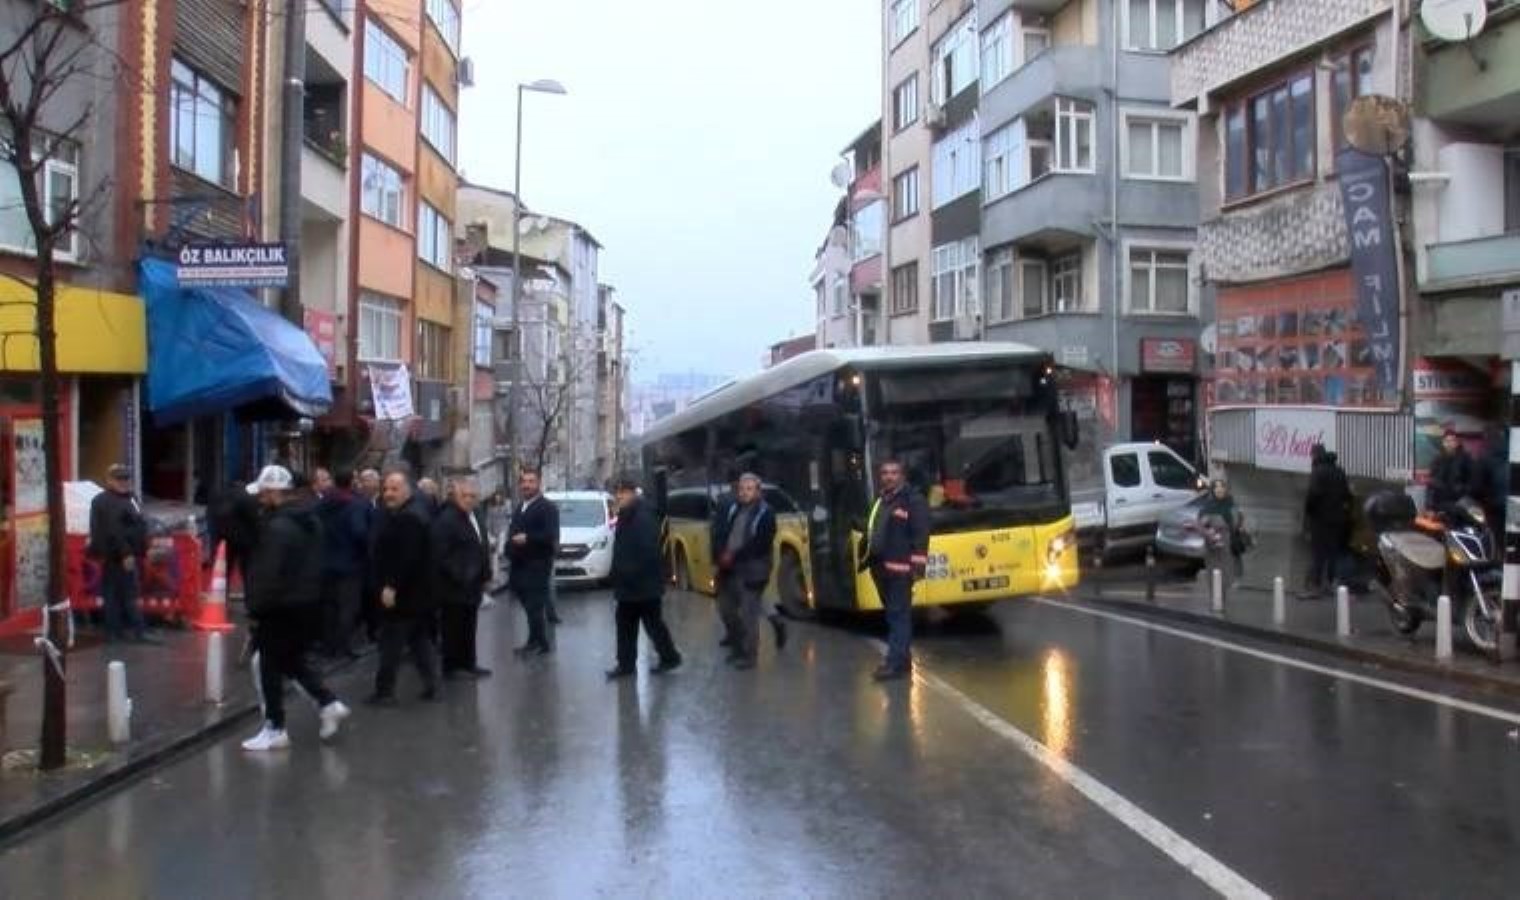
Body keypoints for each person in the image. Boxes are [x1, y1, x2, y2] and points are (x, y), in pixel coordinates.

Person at [240, 465, 350, 751]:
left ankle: (275, 727)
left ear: (275, 494)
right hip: (308, 604)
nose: (260, 501)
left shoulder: (276, 529)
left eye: (263, 495)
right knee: (290, 660)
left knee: (266, 665)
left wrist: (255, 608)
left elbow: (268, 573)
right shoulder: (310, 521)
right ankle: (328, 703)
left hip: (280, 607)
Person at [367, 472, 440, 706]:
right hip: (416, 596)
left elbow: (408, 558)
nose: (388, 493)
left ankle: (384, 692)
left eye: (394, 489)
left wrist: (391, 586)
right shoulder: (406, 513)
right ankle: (432, 685)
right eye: (386, 488)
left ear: (407, 490)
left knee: (391, 644)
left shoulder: (409, 518)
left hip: (404, 595)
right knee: (419, 641)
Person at [605, 476, 682, 679]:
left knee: (643, 624)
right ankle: (657, 659)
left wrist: (627, 573)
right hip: (634, 583)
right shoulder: (629, 512)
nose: (618, 496)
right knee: (639, 624)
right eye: (617, 492)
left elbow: (648, 550)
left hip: (641, 583)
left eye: (622, 492)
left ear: (632, 493)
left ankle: (661, 659)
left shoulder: (642, 514)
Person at [859, 459, 929, 682]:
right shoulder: (881, 500)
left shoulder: (912, 501)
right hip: (880, 568)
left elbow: (921, 536)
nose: (889, 476)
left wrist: (917, 568)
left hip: (900, 570)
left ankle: (893, 664)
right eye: (885, 473)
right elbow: (872, 529)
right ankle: (903, 660)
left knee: (898, 617)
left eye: (894, 472)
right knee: (893, 616)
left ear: (902, 476)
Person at [714, 473, 787, 670]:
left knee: (748, 613)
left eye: (749, 489)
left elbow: (760, 544)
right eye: (742, 489)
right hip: (730, 568)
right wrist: (722, 555)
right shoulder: (735, 509)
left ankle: (749, 655)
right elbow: (726, 533)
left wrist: (733, 556)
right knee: (726, 609)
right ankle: (738, 646)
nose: (744, 493)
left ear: (757, 491)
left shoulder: (765, 513)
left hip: (753, 569)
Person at [432, 477, 493, 679]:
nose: (469, 499)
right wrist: (460, 575)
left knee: (469, 626)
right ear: (455, 496)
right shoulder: (447, 519)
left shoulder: (474, 515)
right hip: (454, 587)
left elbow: (481, 546)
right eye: (464, 496)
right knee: (453, 628)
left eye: (473, 496)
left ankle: (469, 663)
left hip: (472, 584)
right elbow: (441, 554)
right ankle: (452, 667)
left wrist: (485, 575)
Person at [88, 464, 157, 644]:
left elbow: (137, 521)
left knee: (120, 593)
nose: (124, 482)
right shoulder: (105, 501)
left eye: (126, 478)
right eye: (119, 479)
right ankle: (133, 631)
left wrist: (143, 546)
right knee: (124, 594)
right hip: (116, 555)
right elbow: (113, 530)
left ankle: (117, 631)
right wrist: (125, 553)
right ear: (109, 480)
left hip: (129, 554)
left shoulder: (129, 498)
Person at [316, 468, 369, 658]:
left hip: (325, 562)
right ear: (352, 481)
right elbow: (359, 532)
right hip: (350, 563)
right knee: (348, 607)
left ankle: (328, 645)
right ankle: (343, 645)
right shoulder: (355, 504)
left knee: (329, 606)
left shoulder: (322, 503)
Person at [508, 469, 560, 656]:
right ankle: (534, 640)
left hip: (537, 564)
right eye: (524, 481)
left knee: (534, 605)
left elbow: (551, 535)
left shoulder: (547, 507)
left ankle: (541, 643)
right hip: (519, 565)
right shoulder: (520, 506)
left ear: (538, 483)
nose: (527, 485)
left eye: (531, 481)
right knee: (528, 606)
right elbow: (512, 531)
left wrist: (528, 538)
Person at [1301, 444, 1352, 599]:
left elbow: (1313, 495)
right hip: (1337, 520)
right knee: (1332, 554)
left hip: (1320, 520)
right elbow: (1347, 495)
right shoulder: (1339, 471)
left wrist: (1309, 513)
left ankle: (1315, 587)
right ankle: (1330, 584)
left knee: (1318, 554)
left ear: (1315, 455)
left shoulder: (1318, 472)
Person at [1200, 478, 1248, 582]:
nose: (1219, 489)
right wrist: (1210, 531)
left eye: (1222, 486)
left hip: (1231, 546)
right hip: (1216, 548)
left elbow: (1239, 521)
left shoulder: (1231, 503)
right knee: (1217, 577)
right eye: (1216, 487)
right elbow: (1202, 525)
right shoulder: (1208, 507)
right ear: (1212, 490)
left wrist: (1241, 526)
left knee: (1231, 577)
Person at [1428, 428, 1474, 514]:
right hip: (1441, 501)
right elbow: (1432, 483)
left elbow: (1472, 479)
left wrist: (1463, 490)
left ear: (1456, 443)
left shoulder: (1465, 458)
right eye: (1447, 441)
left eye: (1452, 441)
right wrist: (1430, 506)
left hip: (1460, 501)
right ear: (1443, 443)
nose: (1449, 444)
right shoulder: (1437, 460)